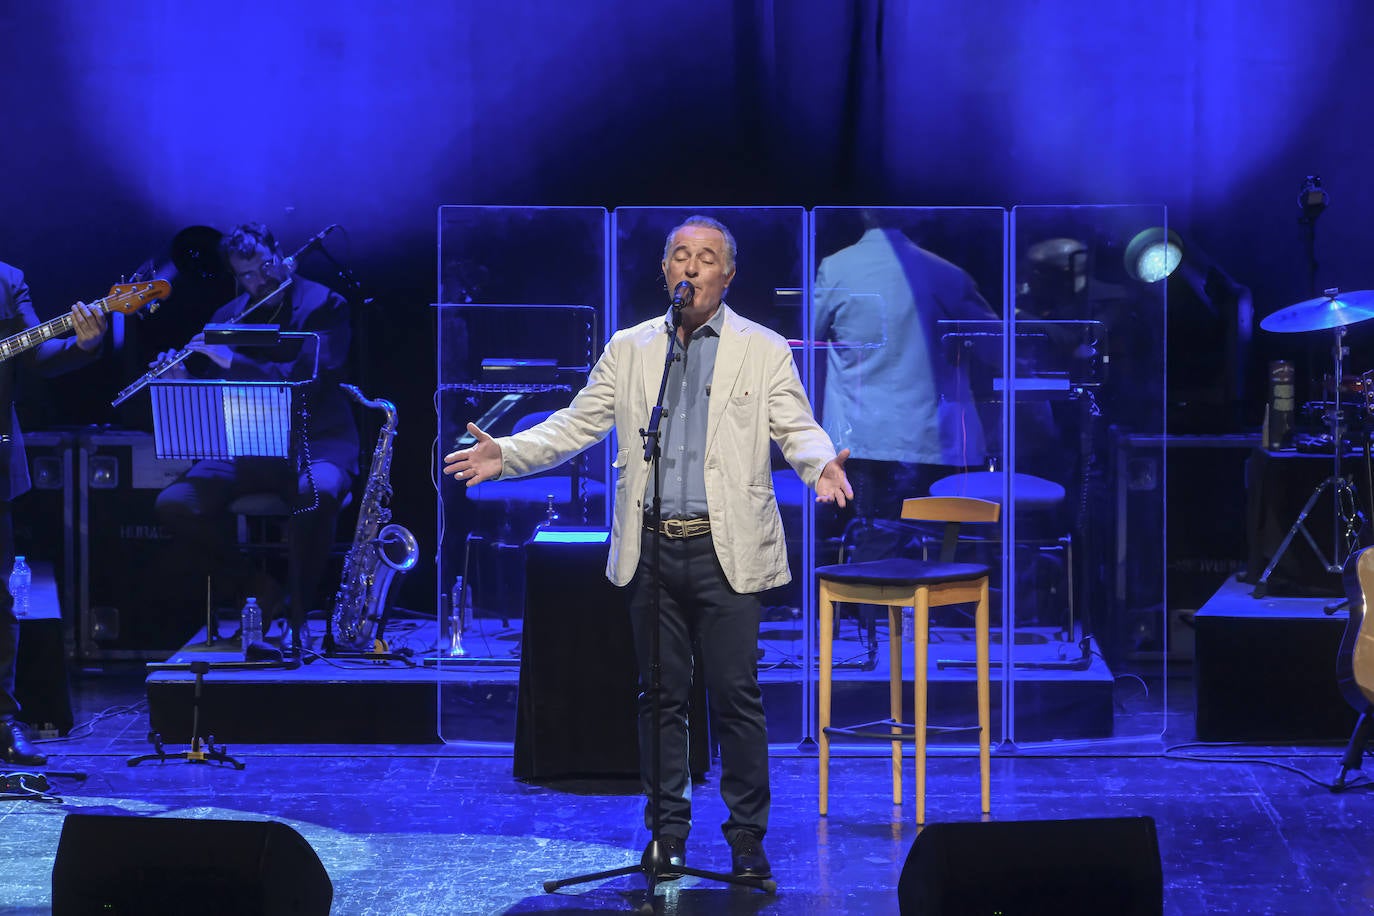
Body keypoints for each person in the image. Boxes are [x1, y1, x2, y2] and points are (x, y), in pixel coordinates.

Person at [444, 215, 851, 883]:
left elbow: (795, 423)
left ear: (728, 274)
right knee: (660, 696)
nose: (691, 268)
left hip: (727, 554)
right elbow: (578, 422)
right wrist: (508, 455)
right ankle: (667, 834)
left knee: (734, 695)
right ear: (665, 273)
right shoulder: (633, 349)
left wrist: (818, 465)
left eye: (706, 258)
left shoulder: (764, 347)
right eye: (680, 257)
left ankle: (747, 838)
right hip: (654, 551)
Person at [153, 223, 358, 652]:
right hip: (248, 446)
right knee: (175, 504)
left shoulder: (325, 306)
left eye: (265, 267)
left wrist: (232, 360)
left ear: (279, 255)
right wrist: (181, 378)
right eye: (246, 275)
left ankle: (299, 615)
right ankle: (260, 588)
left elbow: (304, 382)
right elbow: (212, 396)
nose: (259, 281)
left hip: (316, 442)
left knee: (315, 493)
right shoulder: (227, 317)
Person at [814, 211, 998, 560]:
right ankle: (929, 613)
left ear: (863, 213)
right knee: (937, 554)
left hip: (863, 437)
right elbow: (996, 346)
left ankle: (872, 613)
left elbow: (805, 339)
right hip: (935, 439)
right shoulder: (946, 274)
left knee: (874, 547)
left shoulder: (836, 269)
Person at [0, 261, 108, 766]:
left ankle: (2, 722)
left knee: (1, 601)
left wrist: (83, 342)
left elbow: (39, 352)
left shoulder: (7, 279)